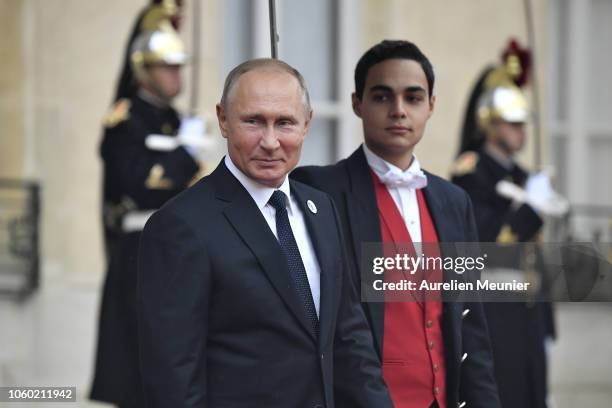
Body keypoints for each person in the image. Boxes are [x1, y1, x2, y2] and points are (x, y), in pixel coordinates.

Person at [137, 58, 393, 408]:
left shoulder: (322, 209)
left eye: (284, 123)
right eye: (254, 121)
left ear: (306, 125)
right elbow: (173, 378)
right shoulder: (180, 226)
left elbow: (350, 337)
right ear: (223, 120)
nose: (270, 141)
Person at [292, 40, 500, 408]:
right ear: (357, 103)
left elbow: (471, 324)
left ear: (431, 106)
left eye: (414, 98)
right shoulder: (319, 190)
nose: (399, 111)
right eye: (383, 97)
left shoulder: (455, 202)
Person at [90, 6, 201, 406]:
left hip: (177, 245)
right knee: (138, 367)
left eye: (178, 67)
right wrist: (186, 154)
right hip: (140, 248)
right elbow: (141, 185)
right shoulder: (125, 121)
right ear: (144, 70)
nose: (177, 75)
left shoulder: (176, 119)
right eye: (167, 68)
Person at [451, 40, 559, 408]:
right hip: (494, 310)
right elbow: (489, 243)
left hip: (528, 312)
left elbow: (535, 255)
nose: (521, 132)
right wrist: (529, 210)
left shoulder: (524, 176)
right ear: (489, 122)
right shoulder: (472, 173)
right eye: (512, 123)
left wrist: (546, 323)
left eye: (522, 124)